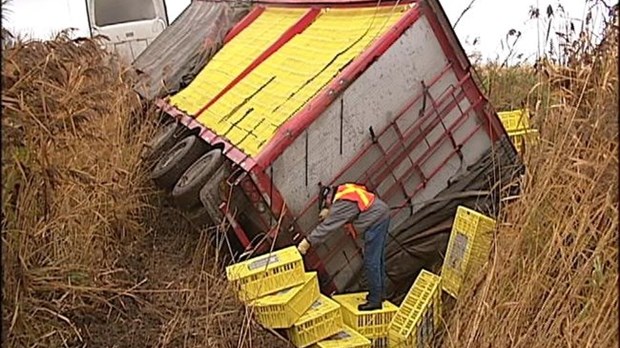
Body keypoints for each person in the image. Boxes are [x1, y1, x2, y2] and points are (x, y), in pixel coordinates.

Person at [297, 183, 390, 311]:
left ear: (328, 199)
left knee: (371, 262)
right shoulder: (345, 190)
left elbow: (328, 227)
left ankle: (375, 300)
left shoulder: (342, 203)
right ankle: (381, 293)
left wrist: (307, 242)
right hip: (380, 214)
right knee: (378, 260)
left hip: (377, 220)